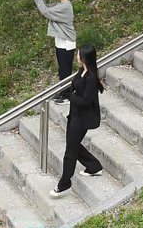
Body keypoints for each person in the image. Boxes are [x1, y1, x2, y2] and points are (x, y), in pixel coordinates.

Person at [49, 45, 104, 197]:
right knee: (72, 145)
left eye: (78, 54)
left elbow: (86, 101)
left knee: (70, 151)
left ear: (84, 58)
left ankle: (64, 183)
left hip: (82, 119)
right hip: (74, 116)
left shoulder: (91, 78)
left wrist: (71, 97)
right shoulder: (82, 71)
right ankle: (94, 166)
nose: (77, 56)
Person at [33, 0, 76, 105]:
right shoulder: (61, 4)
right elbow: (47, 8)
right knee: (62, 69)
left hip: (66, 42)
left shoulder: (65, 6)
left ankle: (67, 96)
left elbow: (46, 12)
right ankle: (64, 92)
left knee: (65, 71)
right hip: (61, 41)